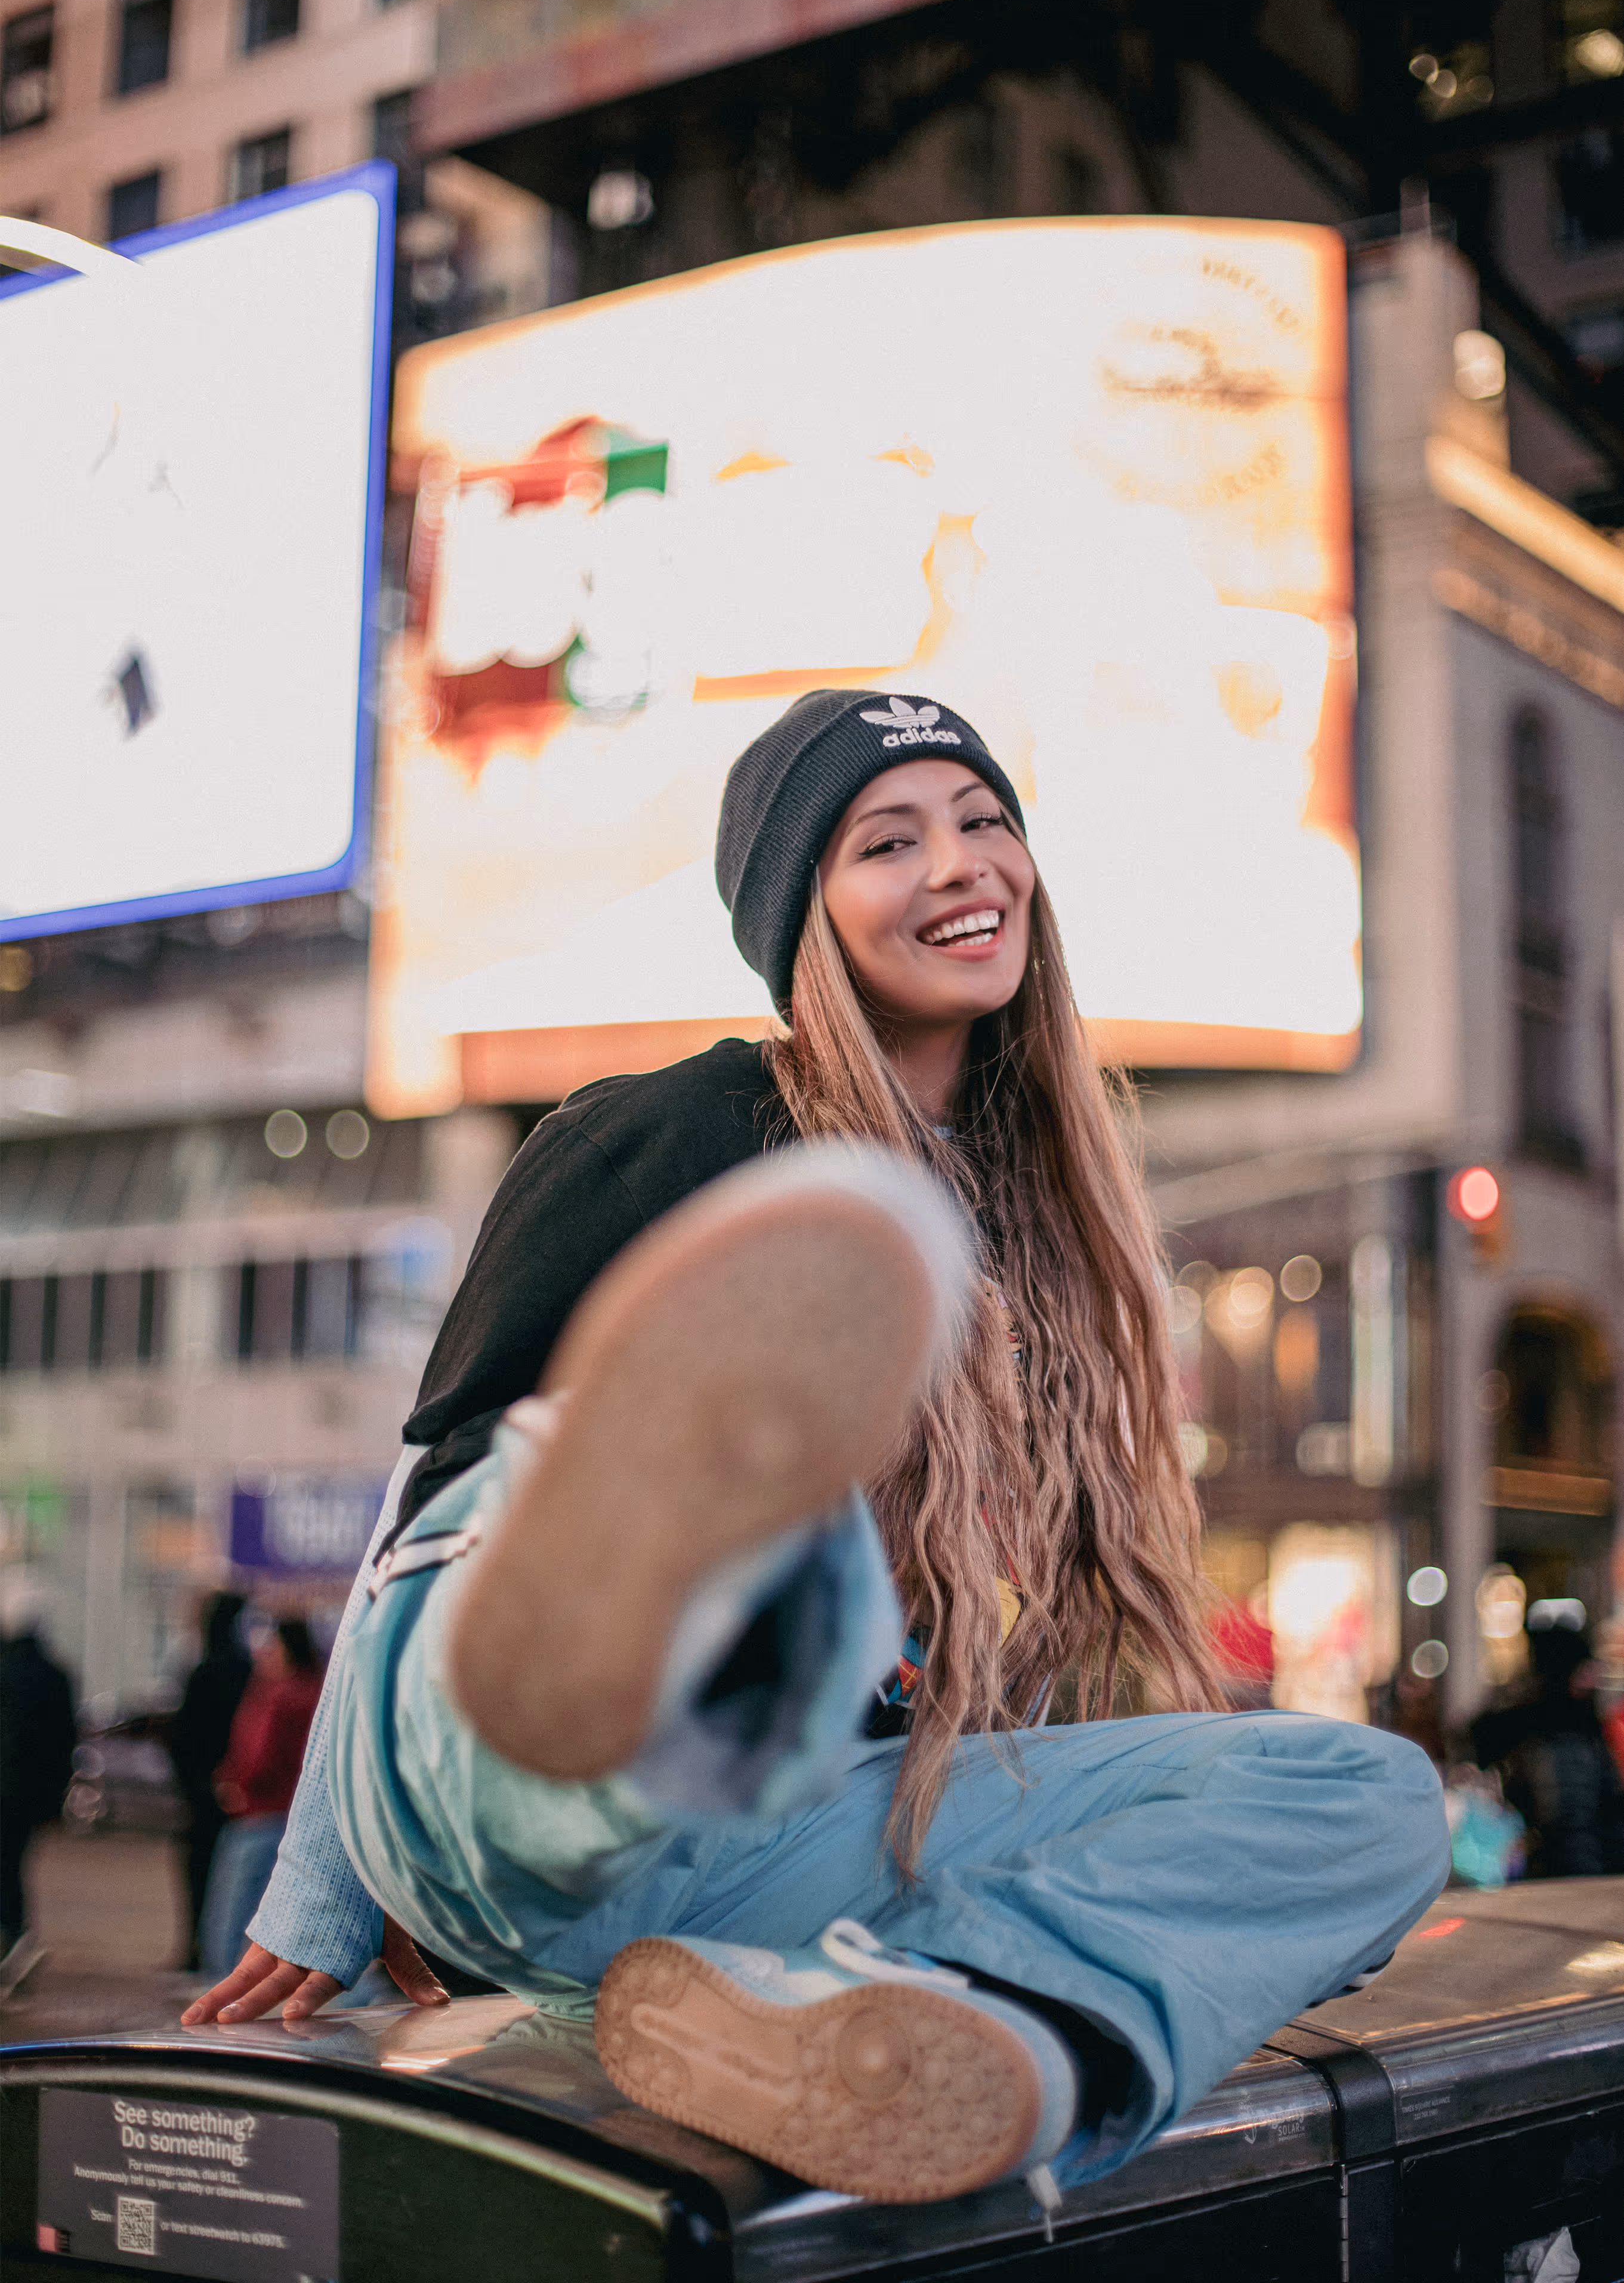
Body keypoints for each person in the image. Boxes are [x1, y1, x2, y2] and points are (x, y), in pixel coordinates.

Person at [187, 690, 1450, 2209]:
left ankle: (957, 2025)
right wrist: (317, 1891)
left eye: (984, 822)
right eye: (887, 839)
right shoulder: (679, 1125)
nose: (959, 863)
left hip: (749, 1854)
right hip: (493, 1787)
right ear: (803, 908)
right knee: (647, 1483)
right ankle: (646, 1626)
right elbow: (426, 1505)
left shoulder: (1032, 1217)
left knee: (1362, 1793)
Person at [197, 1617, 324, 1980]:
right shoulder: (315, 1691)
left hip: (257, 1815)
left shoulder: (277, 1695)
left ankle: (218, 1993)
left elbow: (259, 1753)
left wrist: (233, 1783)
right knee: (293, 1916)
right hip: (294, 1815)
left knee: (228, 1918)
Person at [1471, 1622, 1624, 1880]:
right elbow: (1572, 1822)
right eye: (1584, 1668)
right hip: (1580, 1875)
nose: (1594, 1676)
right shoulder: (1567, 1735)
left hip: (1561, 1872)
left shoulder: (1533, 1725)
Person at [167, 1590, 252, 1970]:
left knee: (203, 1872)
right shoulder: (246, 1668)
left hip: (207, 1791)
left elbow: (184, 1736)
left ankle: (203, 1950)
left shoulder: (207, 1669)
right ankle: (215, 1951)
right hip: (234, 1791)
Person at [0, 1576, 77, 1964]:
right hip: (36, 1792)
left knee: (6, 1865)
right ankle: (17, 1938)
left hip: (6, 1788)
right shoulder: (57, 1674)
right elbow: (66, 1740)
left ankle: (14, 1940)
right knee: (13, 1862)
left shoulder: (6, 1671)